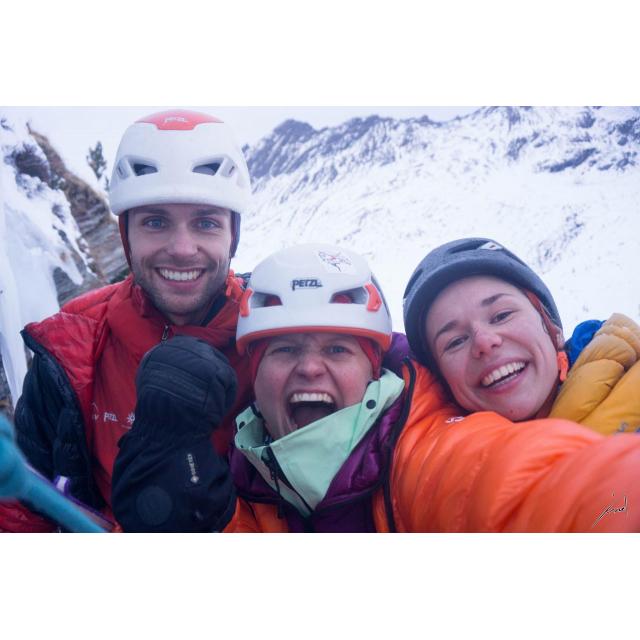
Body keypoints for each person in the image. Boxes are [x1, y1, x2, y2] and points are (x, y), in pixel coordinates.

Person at [112, 244, 640, 532]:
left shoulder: (423, 449)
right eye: (285, 350)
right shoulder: (241, 494)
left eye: (338, 350)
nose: (310, 368)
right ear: (254, 375)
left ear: (374, 371)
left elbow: (541, 487)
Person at [0, 109, 253, 532]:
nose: (182, 248)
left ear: (233, 236)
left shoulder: (277, 339)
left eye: (206, 223)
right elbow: (19, 512)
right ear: (126, 234)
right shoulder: (71, 348)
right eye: (155, 222)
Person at [403, 237, 640, 433]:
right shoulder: (450, 472)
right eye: (455, 341)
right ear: (442, 381)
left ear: (551, 327)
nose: (484, 342)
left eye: (502, 315)